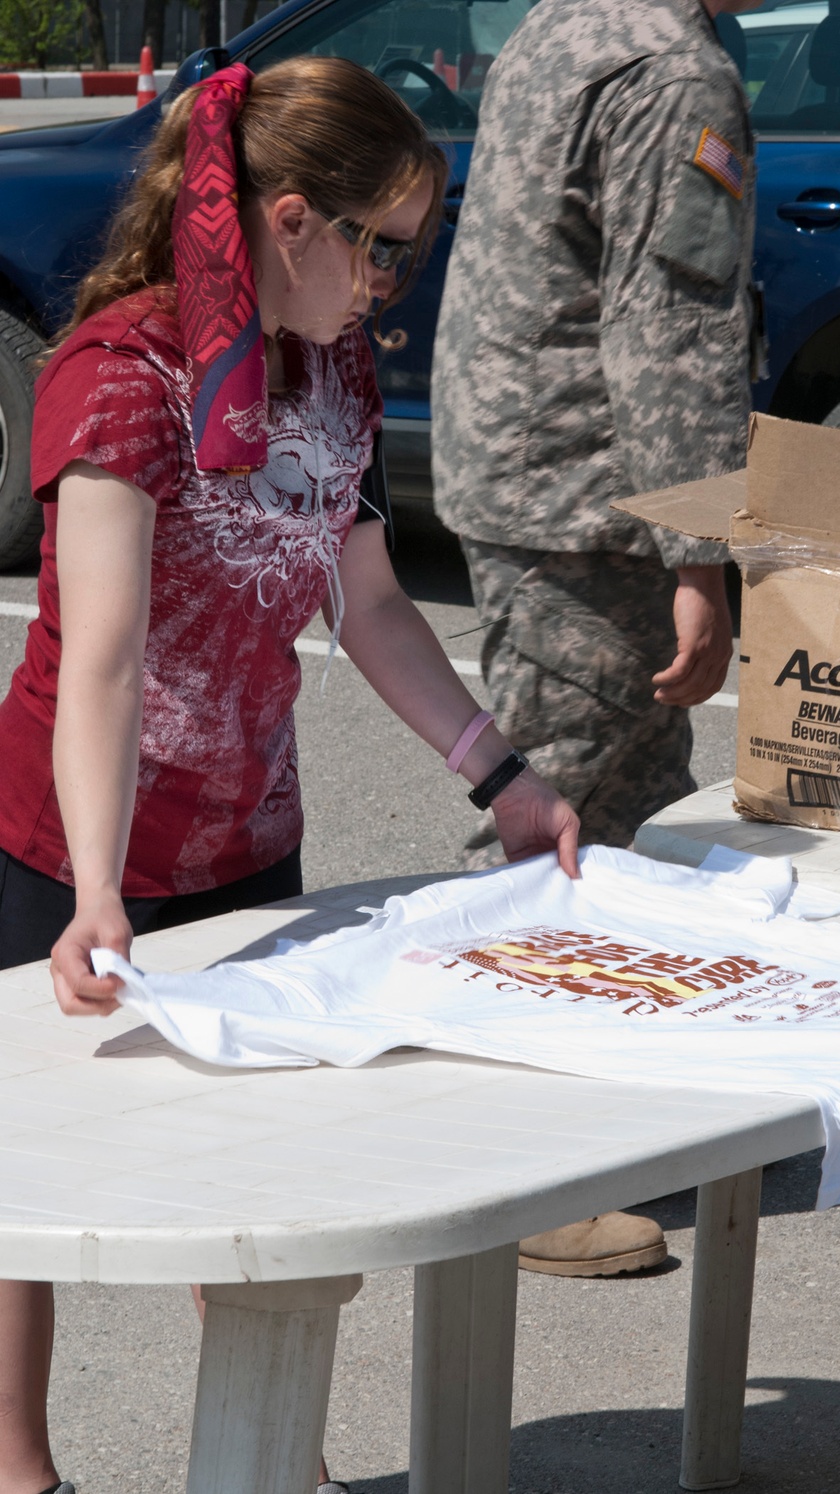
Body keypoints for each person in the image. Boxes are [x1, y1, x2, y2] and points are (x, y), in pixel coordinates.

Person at [0, 57, 579, 1494]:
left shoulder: (333, 368)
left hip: (247, 841)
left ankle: (274, 1460)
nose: (392, 285)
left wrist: (500, 775)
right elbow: (105, 660)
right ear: (292, 217)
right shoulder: (117, 379)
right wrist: (92, 891)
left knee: (246, 1175)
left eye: (412, 253)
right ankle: (18, 1468)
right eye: (384, 248)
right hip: (64, 851)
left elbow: (370, 605)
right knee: (19, 1184)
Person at [432, 0, 759, 1275]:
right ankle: (497, 1167)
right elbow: (668, 330)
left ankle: (608, 1123)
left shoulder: (567, 21)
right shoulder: (674, 67)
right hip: (587, 498)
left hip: (526, 463)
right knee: (550, 818)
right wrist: (700, 555)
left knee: (625, 810)